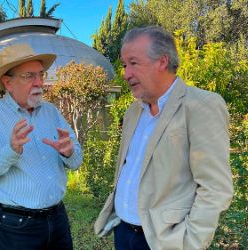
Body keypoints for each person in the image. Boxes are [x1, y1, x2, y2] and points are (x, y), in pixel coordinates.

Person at [94, 26, 233, 249]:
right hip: (123, 231)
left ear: (162, 61)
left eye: (133, 63)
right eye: (124, 65)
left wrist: (189, 243)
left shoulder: (200, 106)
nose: (126, 74)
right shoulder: (133, 112)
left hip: (163, 241)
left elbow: (215, 188)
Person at [0, 43, 83, 250]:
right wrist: (9, 152)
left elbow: (76, 159)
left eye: (41, 75)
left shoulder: (51, 112)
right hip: (17, 227)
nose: (39, 83)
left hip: (58, 219)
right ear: (8, 83)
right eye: (29, 76)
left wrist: (69, 152)